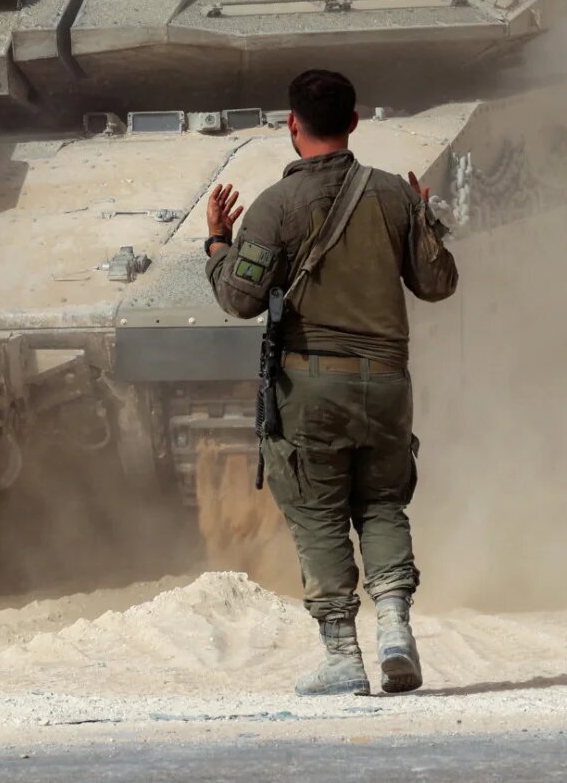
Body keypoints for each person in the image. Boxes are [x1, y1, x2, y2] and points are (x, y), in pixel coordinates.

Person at [203, 69, 458, 696]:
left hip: (311, 390)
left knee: (318, 515)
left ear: (294, 125)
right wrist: (426, 219)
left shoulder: (275, 206)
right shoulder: (396, 199)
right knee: (382, 504)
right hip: (387, 386)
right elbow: (438, 283)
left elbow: (240, 298)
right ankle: (396, 631)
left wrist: (215, 243)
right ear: (354, 121)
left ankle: (344, 657)